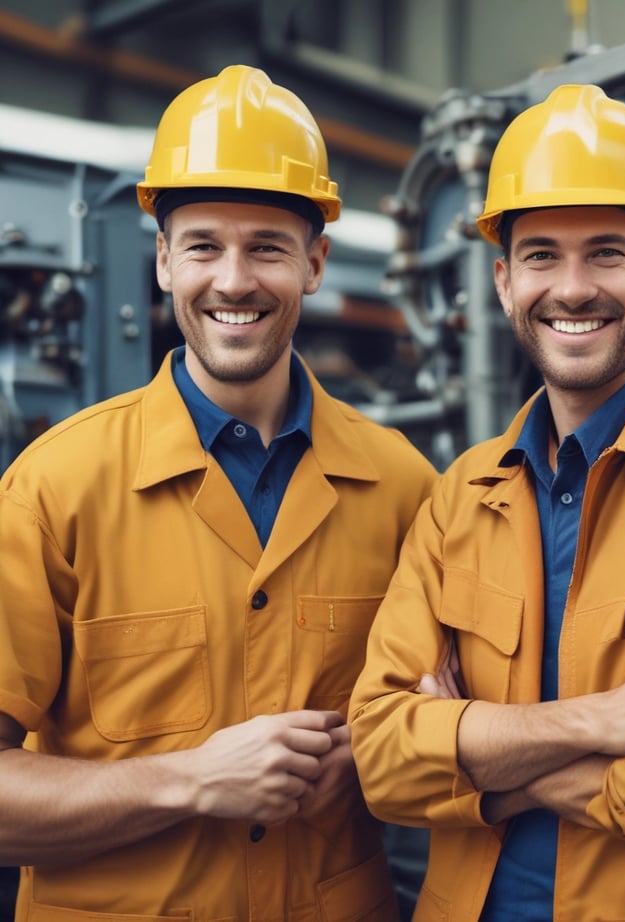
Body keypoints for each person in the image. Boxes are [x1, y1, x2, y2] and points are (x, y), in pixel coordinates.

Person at [0, 65, 436, 921]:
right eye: (203, 245)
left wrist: (380, 748)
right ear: (163, 261)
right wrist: (190, 781)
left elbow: (446, 723)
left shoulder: (404, 488)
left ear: (314, 262)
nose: (233, 280)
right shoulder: (55, 488)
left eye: (268, 246)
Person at [349, 84, 625, 921]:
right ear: (504, 282)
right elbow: (385, 762)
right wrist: (606, 720)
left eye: (606, 253)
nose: (572, 289)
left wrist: (486, 769)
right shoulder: (459, 494)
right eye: (541, 255)